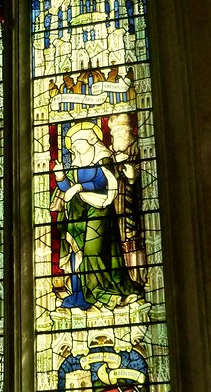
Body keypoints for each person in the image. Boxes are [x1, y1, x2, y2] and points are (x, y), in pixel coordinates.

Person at [50, 120, 142, 310]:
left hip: (100, 210)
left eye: (78, 143)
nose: (74, 147)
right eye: (73, 144)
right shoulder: (77, 164)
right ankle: (80, 296)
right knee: (77, 255)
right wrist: (60, 178)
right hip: (79, 214)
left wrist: (79, 187)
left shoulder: (103, 159)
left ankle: (105, 294)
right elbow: (69, 192)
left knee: (92, 251)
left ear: (91, 140)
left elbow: (103, 182)